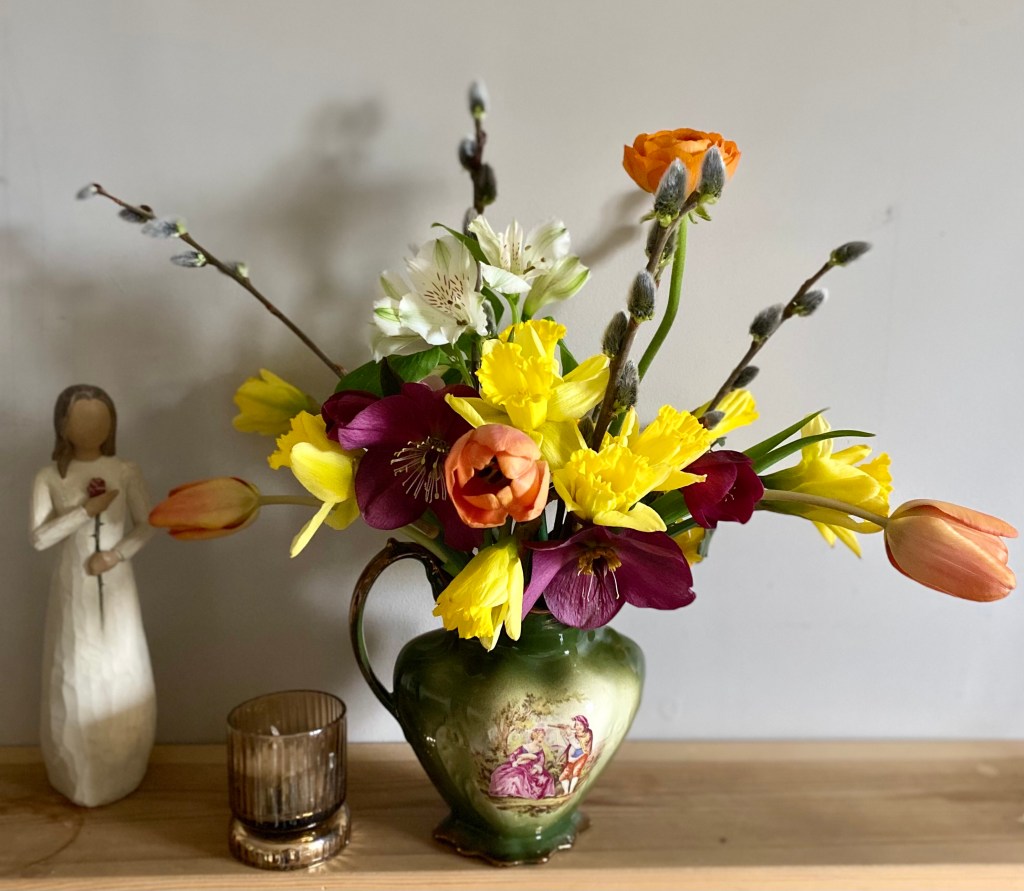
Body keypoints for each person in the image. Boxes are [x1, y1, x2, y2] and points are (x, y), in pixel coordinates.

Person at [30, 384, 156, 807]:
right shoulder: (50, 477)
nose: (91, 427)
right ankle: (75, 771)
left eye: (100, 418)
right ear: (62, 425)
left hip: (117, 585)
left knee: (121, 666)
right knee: (74, 668)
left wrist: (116, 555)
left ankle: (123, 764)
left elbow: (148, 524)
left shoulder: (125, 470)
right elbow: (40, 538)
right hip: (72, 587)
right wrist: (85, 512)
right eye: (81, 418)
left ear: (112, 423)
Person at [488, 727, 555, 800]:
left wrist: (536, 769)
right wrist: (516, 762)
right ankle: (513, 793)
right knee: (518, 776)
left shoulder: (540, 750)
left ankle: (543, 794)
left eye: (543, 737)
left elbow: (541, 761)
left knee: (547, 777)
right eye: (541, 737)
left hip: (533, 768)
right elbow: (512, 756)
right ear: (536, 736)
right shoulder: (524, 747)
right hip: (521, 766)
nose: (542, 739)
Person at [558, 715, 594, 795]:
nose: (578, 727)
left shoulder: (588, 733)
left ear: (585, 725)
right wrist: (564, 734)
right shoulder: (575, 734)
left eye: (581, 724)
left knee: (576, 772)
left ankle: (571, 791)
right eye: (577, 724)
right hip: (572, 757)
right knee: (563, 776)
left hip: (582, 756)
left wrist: (570, 734)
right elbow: (569, 744)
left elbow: (578, 746)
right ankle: (566, 792)